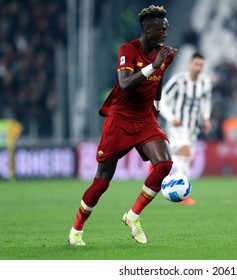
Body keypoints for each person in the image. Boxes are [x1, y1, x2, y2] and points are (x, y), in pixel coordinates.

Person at [67, 5, 177, 246]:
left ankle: (133, 215)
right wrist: (153, 64)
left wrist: (157, 105)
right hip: (120, 119)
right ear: (148, 30)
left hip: (145, 117)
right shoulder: (128, 50)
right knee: (102, 181)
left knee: (165, 164)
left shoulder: (165, 54)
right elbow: (125, 83)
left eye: (167, 28)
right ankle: (76, 230)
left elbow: (159, 80)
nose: (166, 32)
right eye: (162, 29)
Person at [159, 52, 212, 205]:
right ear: (189, 64)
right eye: (196, 64)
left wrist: (206, 119)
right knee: (185, 150)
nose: (198, 68)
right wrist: (171, 118)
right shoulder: (178, 81)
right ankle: (184, 195)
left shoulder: (206, 83)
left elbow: (206, 102)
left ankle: (159, 164)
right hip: (178, 125)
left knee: (186, 159)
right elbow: (161, 100)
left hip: (193, 127)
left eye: (201, 65)